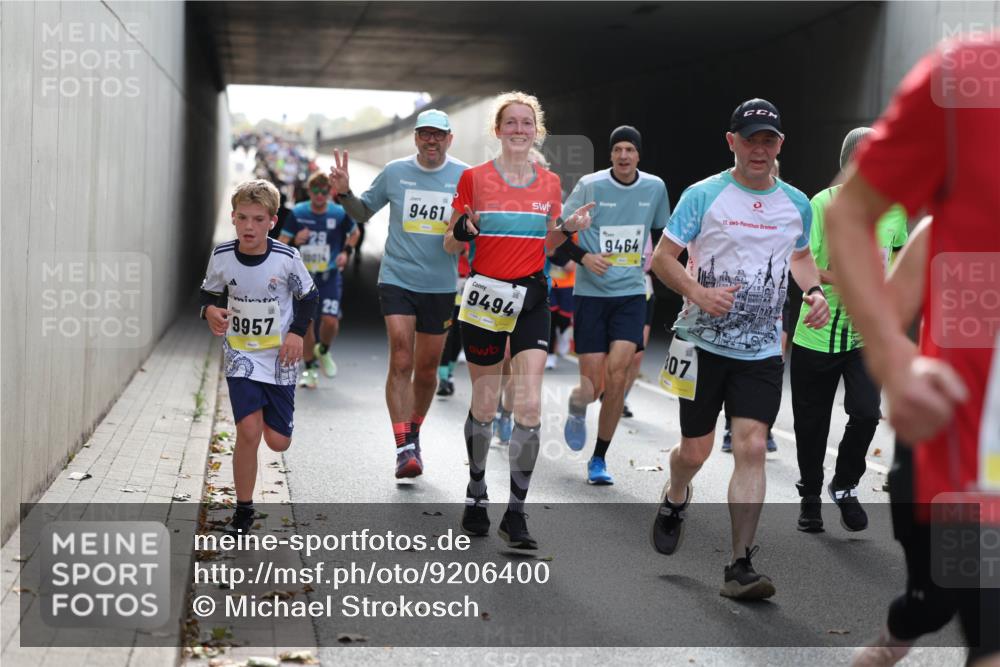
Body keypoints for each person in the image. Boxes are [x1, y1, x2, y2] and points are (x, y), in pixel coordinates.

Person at [821, 36, 999, 666]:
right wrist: (896, 363)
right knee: (940, 608)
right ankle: (891, 641)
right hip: (966, 457)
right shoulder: (966, 83)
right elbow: (852, 221)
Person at [649, 98, 830, 599]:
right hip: (700, 343)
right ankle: (676, 493)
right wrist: (697, 292)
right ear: (732, 142)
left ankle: (739, 565)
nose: (759, 149)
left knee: (751, 446)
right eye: (750, 140)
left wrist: (814, 291)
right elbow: (663, 258)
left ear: (780, 145)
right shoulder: (703, 195)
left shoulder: (795, 203)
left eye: (768, 140)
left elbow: (800, 257)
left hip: (762, 350)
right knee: (695, 450)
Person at [444, 91, 593, 548]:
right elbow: (450, 243)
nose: (519, 129)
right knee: (485, 404)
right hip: (486, 296)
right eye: (511, 122)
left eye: (527, 123)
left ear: (537, 131)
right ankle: (476, 490)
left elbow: (548, 245)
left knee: (528, 406)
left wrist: (568, 229)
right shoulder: (473, 178)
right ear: (498, 130)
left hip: (531, 297)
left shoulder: (549, 183)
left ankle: (516, 512)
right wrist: (462, 230)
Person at [329, 110, 469, 479]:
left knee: (427, 370)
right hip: (397, 278)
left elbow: (478, 223)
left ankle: (414, 432)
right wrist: (344, 192)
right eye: (425, 134)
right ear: (415, 138)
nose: (431, 140)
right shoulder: (395, 172)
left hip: (440, 285)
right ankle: (403, 446)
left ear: (449, 139)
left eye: (438, 134)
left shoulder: (465, 176)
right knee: (402, 358)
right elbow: (362, 211)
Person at [790, 127, 909, 534]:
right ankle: (810, 495)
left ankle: (844, 484)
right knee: (812, 423)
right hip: (818, 332)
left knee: (866, 412)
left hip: (864, 336)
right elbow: (803, 260)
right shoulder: (822, 204)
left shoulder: (895, 210)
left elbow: (898, 254)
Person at [199, 179, 317, 533]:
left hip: (279, 357)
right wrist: (209, 311)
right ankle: (244, 511)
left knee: (277, 442)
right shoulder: (222, 256)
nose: (249, 226)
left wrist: (297, 333)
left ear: (272, 221)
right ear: (233, 217)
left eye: (258, 219)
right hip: (241, 355)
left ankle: (268, 410)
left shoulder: (286, 259)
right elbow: (208, 293)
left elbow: (309, 297)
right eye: (243, 218)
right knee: (248, 432)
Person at [560, 126, 670, 485]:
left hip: (631, 294)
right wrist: (584, 257)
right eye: (618, 149)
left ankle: (599, 459)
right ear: (610, 154)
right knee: (592, 387)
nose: (624, 155)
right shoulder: (590, 185)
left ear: (638, 155)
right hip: (591, 296)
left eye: (630, 150)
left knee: (618, 375)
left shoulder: (654, 188)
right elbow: (557, 236)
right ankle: (577, 406)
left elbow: (662, 236)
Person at [279, 171, 359, 388]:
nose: (320, 195)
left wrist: (346, 252)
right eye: (316, 191)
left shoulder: (339, 213)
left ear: (330, 192)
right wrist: (295, 240)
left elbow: (354, 233)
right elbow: (281, 242)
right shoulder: (298, 212)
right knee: (307, 324)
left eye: (324, 191)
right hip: (304, 279)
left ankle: (323, 349)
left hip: (329, 276)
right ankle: (310, 369)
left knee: (330, 321)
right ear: (309, 192)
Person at [436, 243, 471, 397]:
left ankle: (449, 373)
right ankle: (443, 378)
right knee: (447, 333)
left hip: (468, 285)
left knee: (459, 336)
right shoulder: (448, 230)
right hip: (449, 281)